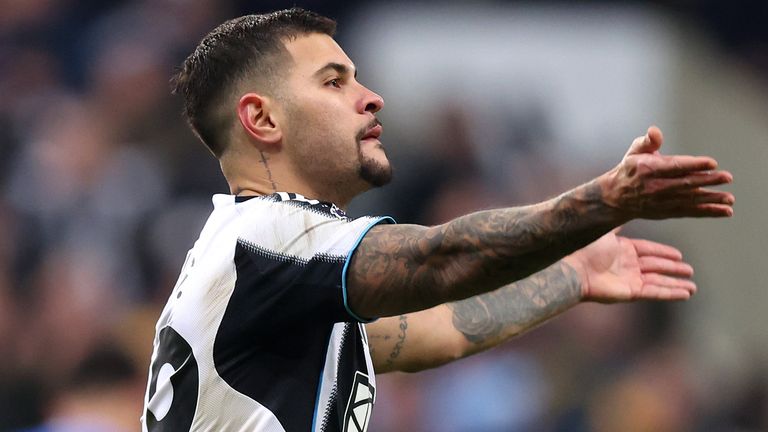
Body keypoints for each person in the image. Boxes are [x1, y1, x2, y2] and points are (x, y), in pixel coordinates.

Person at [141, 8, 734, 432]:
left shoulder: (266, 268)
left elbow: (439, 331)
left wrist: (570, 276)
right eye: (333, 81)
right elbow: (441, 258)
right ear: (262, 120)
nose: (371, 97)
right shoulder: (265, 236)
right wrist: (599, 203)